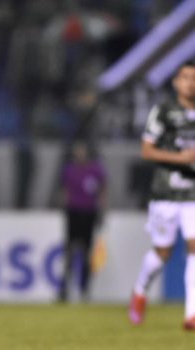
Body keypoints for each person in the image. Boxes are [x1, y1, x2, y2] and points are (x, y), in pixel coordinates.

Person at [129, 60, 195, 329]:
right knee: (162, 253)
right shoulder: (165, 110)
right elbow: (147, 151)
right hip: (166, 192)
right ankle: (140, 289)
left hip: (193, 193)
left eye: (194, 77)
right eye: (186, 77)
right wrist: (180, 158)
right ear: (176, 82)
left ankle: (191, 313)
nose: (191, 82)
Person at [56, 141, 106, 302]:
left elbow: (103, 191)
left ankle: (84, 289)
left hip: (89, 213)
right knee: (70, 251)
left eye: (82, 150)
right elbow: (65, 191)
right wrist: (65, 208)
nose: (80, 154)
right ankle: (64, 289)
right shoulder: (69, 170)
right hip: (73, 213)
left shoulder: (95, 170)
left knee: (86, 253)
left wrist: (102, 211)